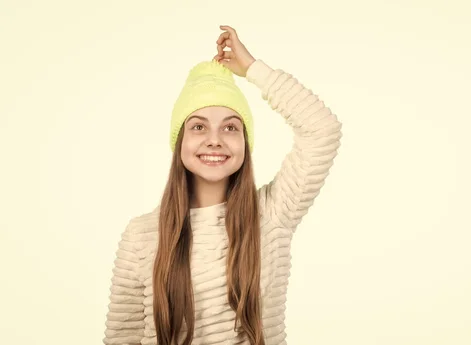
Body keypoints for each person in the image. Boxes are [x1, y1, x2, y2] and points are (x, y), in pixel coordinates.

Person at [103, 25, 342, 345]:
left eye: (230, 128)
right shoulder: (142, 235)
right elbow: (123, 338)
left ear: (245, 142)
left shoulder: (272, 215)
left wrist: (254, 70)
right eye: (199, 126)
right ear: (180, 142)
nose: (214, 140)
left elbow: (322, 130)